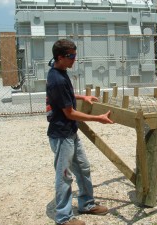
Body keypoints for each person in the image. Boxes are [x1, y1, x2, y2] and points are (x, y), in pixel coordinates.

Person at [46, 39, 114, 225]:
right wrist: (98, 118)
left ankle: (87, 204)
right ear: (60, 57)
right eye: (71, 56)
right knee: (65, 176)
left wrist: (82, 96)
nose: (74, 59)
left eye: (75, 55)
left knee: (83, 168)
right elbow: (70, 113)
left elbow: (65, 95)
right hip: (61, 135)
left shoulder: (59, 70)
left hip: (70, 133)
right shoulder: (57, 79)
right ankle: (63, 218)